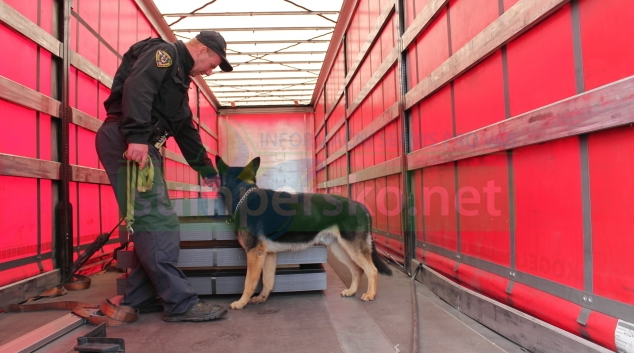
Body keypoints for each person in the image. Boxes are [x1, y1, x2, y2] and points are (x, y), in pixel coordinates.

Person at [95, 31, 232, 322]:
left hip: (140, 144)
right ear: (203, 50)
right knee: (158, 222)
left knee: (153, 222)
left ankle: (138, 299)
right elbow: (138, 87)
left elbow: (185, 132)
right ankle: (180, 303)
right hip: (127, 142)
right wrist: (136, 137)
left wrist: (207, 171)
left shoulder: (179, 84)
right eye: (212, 64)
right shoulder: (164, 54)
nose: (209, 71)